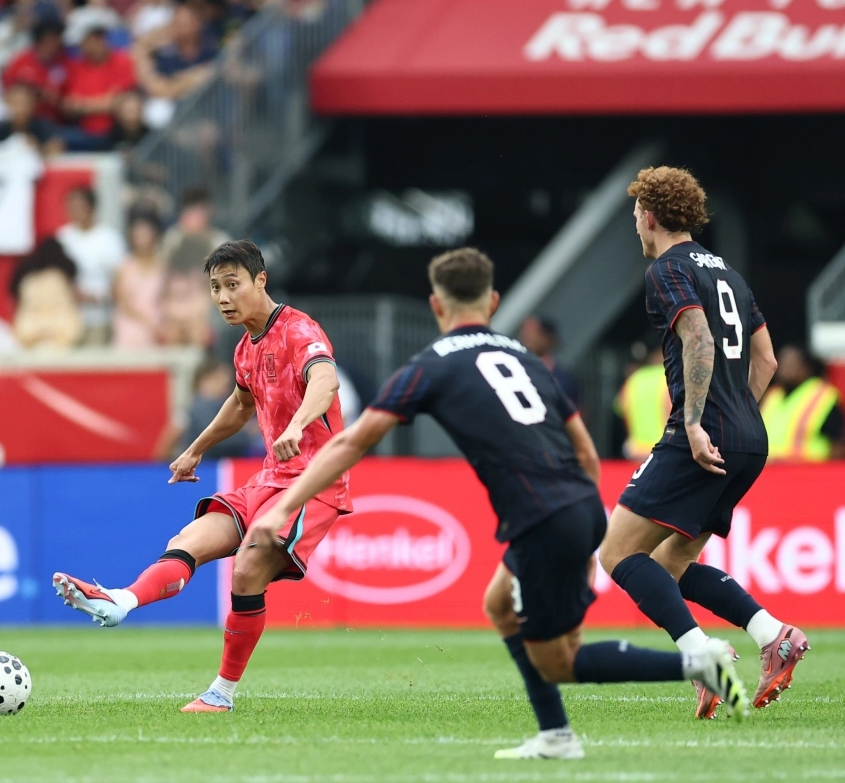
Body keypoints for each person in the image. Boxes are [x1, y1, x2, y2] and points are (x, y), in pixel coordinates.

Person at [250, 246, 748, 760]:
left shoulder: (431, 365)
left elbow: (351, 443)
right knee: (498, 604)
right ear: (492, 302)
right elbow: (583, 449)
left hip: (541, 517)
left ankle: (696, 664)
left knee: (560, 661)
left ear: (436, 305)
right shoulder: (527, 358)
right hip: (576, 506)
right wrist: (584, 534)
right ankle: (555, 734)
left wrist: (285, 507)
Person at [53, 240, 350, 714]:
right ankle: (120, 601)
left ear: (261, 280)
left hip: (314, 480)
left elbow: (325, 380)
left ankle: (221, 693)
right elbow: (240, 405)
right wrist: (195, 449)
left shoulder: (298, 329)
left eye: (233, 284)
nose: (223, 297)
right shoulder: (245, 348)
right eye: (215, 288)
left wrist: (297, 425)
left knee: (248, 567)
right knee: (188, 539)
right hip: (271, 479)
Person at [599, 166, 806, 720]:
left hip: (701, 433)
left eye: (635, 214)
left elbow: (697, 335)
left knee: (617, 552)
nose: (635, 226)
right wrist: (736, 416)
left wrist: (695, 422)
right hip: (748, 437)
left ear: (649, 215)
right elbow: (766, 359)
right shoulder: (730, 274)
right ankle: (773, 634)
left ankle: (702, 656)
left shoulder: (667, 268)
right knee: (668, 563)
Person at [55, 186, 127, 345]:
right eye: (71, 208)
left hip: (100, 318)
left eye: (79, 208)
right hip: (67, 319)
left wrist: (99, 298)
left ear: (92, 208)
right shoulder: (62, 238)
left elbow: (122, 278)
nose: (74, 212)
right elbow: (56, 276)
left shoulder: (110, 239)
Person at [761, 345, 844, 461]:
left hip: (808, 469)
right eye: (781, 363)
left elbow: (838, 444)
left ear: (806, 368)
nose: (784, 369)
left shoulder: (823, 396)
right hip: (771, 468)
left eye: (790, 365)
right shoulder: (772, 395)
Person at [112, 212, 165, 348]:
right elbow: (123, 302)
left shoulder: (163, 266)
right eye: (137, 236)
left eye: (145, 234)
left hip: (158, 326)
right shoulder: (124, 267)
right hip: (130, 326)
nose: (142, 240)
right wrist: (147, 323)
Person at [616, 345, 670, 461]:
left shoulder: (633, 379)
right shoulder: (668, 378)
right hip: (662, 447)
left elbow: (623, 410)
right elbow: (671, 411)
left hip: (635, 449)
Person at [518, 315, 580, 410]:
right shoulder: (514, 370)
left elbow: (575, 411)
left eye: (532, 332)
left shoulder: (563, 379)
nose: (525, 337)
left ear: (546, 338)